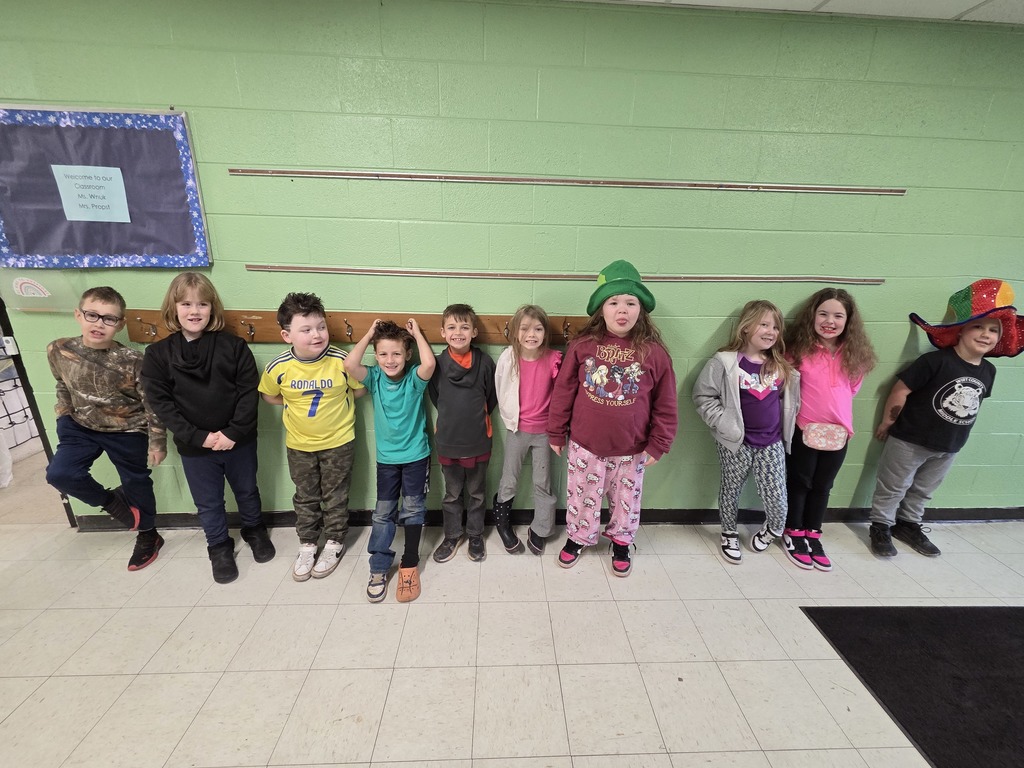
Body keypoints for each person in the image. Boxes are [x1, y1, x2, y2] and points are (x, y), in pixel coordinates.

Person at [868, 279, 1022, 558]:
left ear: (1000, 339)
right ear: (961, 331)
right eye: (978, 326)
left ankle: (908, 524)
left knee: (924, 490)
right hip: (909, 440)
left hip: (949, 445)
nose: (985, 334)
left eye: (993, 330)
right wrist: (888, 422)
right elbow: (902, 389)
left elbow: (974, 405)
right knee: (893, 487)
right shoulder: (935, 361)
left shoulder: (989, 371)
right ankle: (880, 526)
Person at [141, 272, 274, 584]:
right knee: (209, 502)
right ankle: (218, 546)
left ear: (212, 309)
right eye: (186, 303)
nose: (194, 311)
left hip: (237, 441)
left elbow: (246, 393)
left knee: (247, 490)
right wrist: (199, 437)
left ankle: (254, 529)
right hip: (194, 446)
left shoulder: (234, 347)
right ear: (173, 308)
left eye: (202, 304)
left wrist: (232, 433)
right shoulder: (158, 355)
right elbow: (162, 405)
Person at [548, 260, 677, 577]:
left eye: (631, 302)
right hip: (585, 445)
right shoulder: (582, 346)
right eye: (614, 302)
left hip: (632, 450)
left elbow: (666, 403)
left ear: (641, 309)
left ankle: (621, 542)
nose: (623, 310)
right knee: (582, 498)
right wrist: (555, 432)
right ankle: (579, 538)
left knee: (625, 503)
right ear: (601, 309)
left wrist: (658, 444)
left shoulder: (654, 353)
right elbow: (564, 391)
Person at [45, 286, 166, 570]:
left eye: (109, 318)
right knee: (60, 474)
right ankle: (112, 501)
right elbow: (62, 384)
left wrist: (157, 442)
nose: (99, 323)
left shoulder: (134, 361)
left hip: (127, 428)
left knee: (137, 482)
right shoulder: (59, 349)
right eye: (92, 315)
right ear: (79, 315)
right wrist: (63, 416)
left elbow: (153, 404)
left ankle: (148, 536)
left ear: (120, 323)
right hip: (80, 426)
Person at [259, 292, 364, 581]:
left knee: (335, 496)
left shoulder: (342, 360)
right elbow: (270, 397)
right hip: (299, 445)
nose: (316, 335)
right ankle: (307, 543)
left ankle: (334, 541)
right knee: (305, 496)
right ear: (286, 335)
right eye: (306, 330)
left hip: (339, 442)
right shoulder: (278, 367)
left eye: (320, 327)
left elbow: (359, 389)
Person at [693, 299, 799, 565]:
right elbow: (703, 396)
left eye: (775, 327)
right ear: (745, 328)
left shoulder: (780, 366)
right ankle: (728, 532)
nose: (770, 331)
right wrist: (724, 424)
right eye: (763, 324)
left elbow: (787, 403)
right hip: (735, 442)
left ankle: (773, 529)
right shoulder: (725, 362)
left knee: (777, 495)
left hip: (771, 442)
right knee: (731, 489)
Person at [781, 288, 876, 572]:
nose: (829, 321)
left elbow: (853, 389)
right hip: (804, 429)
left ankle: (813, 533)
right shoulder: (797, 351)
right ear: (812, 316)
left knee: (823, 486)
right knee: (799, 483)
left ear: (848, 321)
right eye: (823, 314)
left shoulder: (854, 355)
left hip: (838, 433)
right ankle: (793, 530)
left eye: (838, 316)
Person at [345, 319, 435, 603]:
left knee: (413, 508)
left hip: (416, 456)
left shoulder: (413, 380)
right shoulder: (373, 378)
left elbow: (429, 364)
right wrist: (370, 333)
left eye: (396, 353)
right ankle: (379, 566)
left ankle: (409, 561)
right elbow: (350, 364)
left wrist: (416, 334)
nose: (390, 360)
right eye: (383, 354)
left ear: (407, 355)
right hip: (387, 460)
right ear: (375, 356)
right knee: (383, 513)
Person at [429, 304, 497, 564]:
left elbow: (491, 397)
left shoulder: (485, 363)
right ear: (443, 332)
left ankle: (475, 533)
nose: (459, 332)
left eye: (464, 327)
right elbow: (436, 396)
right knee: (452, 494)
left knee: (477, 493)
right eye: (452, 327)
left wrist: (477, 419)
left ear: (474, 332)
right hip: (448, 441)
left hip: (479, 439)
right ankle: (452, 534)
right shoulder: (437, 364)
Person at [494, 305, 563, 555]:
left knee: (542, 481)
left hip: (544, 433)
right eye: (524, 328)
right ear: (515, 331)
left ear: (545, 333)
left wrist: (557, 430)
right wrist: (509, 419)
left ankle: (541, 528)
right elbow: (500, 389)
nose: (531, 334)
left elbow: (561, 396)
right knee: (509, 479)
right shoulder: (508, 358)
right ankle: (503, 524)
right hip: (517, 430)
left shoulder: (554, 359)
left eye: (537, 328)